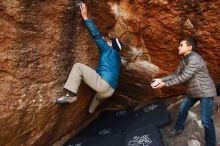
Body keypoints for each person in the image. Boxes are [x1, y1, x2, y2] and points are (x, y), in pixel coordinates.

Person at [55, 3, 122, 114]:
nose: (108, 41)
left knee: (78, 67)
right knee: (97, 97)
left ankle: (71, 95)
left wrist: (85, 17)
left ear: (112, 46)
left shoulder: (107, 49)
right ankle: (91, 112)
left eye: (110, 42)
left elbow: (96, 35)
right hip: (111, 90)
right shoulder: (118, 59)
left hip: (103, 85)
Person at [151, 37, 217, 146]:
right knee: (182, 109)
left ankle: (211, 143)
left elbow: (184, 77)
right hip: (193, 91)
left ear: (189, 47)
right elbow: (176, 74)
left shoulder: (194, 59)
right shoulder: (183, 59)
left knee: (206, 119)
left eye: (181, 45)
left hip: (205, 91)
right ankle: (178, 129)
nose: (178, 47)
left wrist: (165, 84)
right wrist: (161, 79)